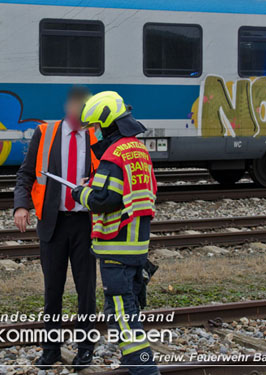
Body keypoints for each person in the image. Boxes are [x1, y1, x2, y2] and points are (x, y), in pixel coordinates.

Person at [71, 91, 160, 375]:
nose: (95, 133)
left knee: (123, 317)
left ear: (108, 122)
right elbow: (131, 192)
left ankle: (145, 370)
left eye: (96, 126)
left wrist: (81, 192)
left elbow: (104, 200)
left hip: (116, 250)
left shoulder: (113, 154)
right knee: (129, 309)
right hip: (136, 247)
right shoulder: (137, 150)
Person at [13, 86, 100, 369]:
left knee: (86, 290)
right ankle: (51, 349)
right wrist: (21, 205)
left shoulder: (96, 135)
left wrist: (96, 185)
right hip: (53, 223)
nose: (81, 117)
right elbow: (26, 173)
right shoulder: (45, 133)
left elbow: (110, 176)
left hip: (86, 223)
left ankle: (85, 348)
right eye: (77, 110)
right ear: (68, 108)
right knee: (53, 290)